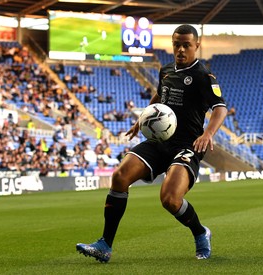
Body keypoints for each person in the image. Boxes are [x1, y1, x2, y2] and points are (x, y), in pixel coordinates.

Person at [76, 24, 227, 263]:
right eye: (177, 44)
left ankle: (200, 233)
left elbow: (220, 108)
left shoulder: (203, 76)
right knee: (120, 176)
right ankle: (105, 245)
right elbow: (159, 94)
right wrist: (142, 119)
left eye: (186, 45)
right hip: (158, 140)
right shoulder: (166, 70)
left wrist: (207, 134)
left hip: (186, 145)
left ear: (197, 45)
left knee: (170, 199)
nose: (180, 49)